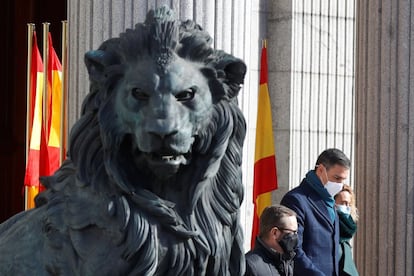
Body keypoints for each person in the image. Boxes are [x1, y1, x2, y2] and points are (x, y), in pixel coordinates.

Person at [281, 148, 351, 276]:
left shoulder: (330, 201)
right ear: (320, 170)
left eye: (343, 180)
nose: (340, 185)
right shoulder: (296, 200)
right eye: (336, 178)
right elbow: (293, 250)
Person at [245, 204, 299, 276]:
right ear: (275, 232)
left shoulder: (287, 262)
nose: (295, 236)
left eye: (296, 232)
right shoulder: (250, 266)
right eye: (293, 232)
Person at [334, 184, 359, 276]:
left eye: (349, 204)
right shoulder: (328, 226)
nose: (347, 207)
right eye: (343, 203)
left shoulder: (346, 232)